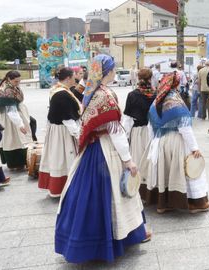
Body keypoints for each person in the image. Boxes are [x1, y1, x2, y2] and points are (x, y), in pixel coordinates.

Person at [55, 54, 151, 264]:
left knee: (85, 194)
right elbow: (115, 131)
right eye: (114, 68)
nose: (116, 71)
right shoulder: (106, 95)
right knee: (115, 195)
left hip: (91, 150)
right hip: (106, 151)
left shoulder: (92, 92)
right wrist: (128, 160)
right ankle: (118, 238)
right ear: (107, 71)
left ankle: (83, 241)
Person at [140, 72, 209, 214]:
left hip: (160, 141)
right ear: (176, 84)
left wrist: (154, 143)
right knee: (184, 171)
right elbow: (185, 128)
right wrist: (194, 148)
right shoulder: (176, 101)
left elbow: (150, 126)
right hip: (176, 141)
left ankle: (162, 204)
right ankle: (196, 203)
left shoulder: (157, 101)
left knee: (164, 172)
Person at [38, 67, 81, 198]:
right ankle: (65, 188)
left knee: (58, 158)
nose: (76, 78)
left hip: (57, 128)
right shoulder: (62, 94)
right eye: (74, 76)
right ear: (68, 78)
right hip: (62, 131)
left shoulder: (57, 89)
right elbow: (67, 118)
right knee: (64, 158)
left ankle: (61, 187)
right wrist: (79, 134)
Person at [0, 71, 33, 170]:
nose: (18, 83)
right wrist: (20, 125)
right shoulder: (7, 90)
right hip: (9, 118)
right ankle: (15, 164)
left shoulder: (12, 86)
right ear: (9, 79)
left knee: (19, 137)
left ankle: (21, 162)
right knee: (14, 138)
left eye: (19, 81)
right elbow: (11, 111)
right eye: (16, 81)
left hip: (16, 112)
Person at [122, 68, 156, 176]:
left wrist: (125, 136)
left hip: (137, 132)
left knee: (137, 160)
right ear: (151, 78)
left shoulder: (132, 95)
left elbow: (127, 119)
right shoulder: (156, 95)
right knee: (149, 161)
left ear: (138, 78)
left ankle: (137, 186)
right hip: (152, 131)